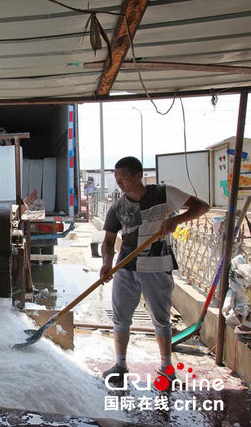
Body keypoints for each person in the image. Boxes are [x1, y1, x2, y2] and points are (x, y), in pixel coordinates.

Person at [100, 156, 209, 383]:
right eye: (117, 180)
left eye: (123, 179)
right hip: (126, 267)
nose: (119, 184)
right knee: (121, 319)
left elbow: (202, 207)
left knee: (161, 319)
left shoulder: (164, 194)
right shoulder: (118, 208)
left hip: (157, 267)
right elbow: (109, 241)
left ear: (138, 176)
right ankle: (120, 364)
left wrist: (176, 220)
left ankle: (167, 368)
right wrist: (106, 264)